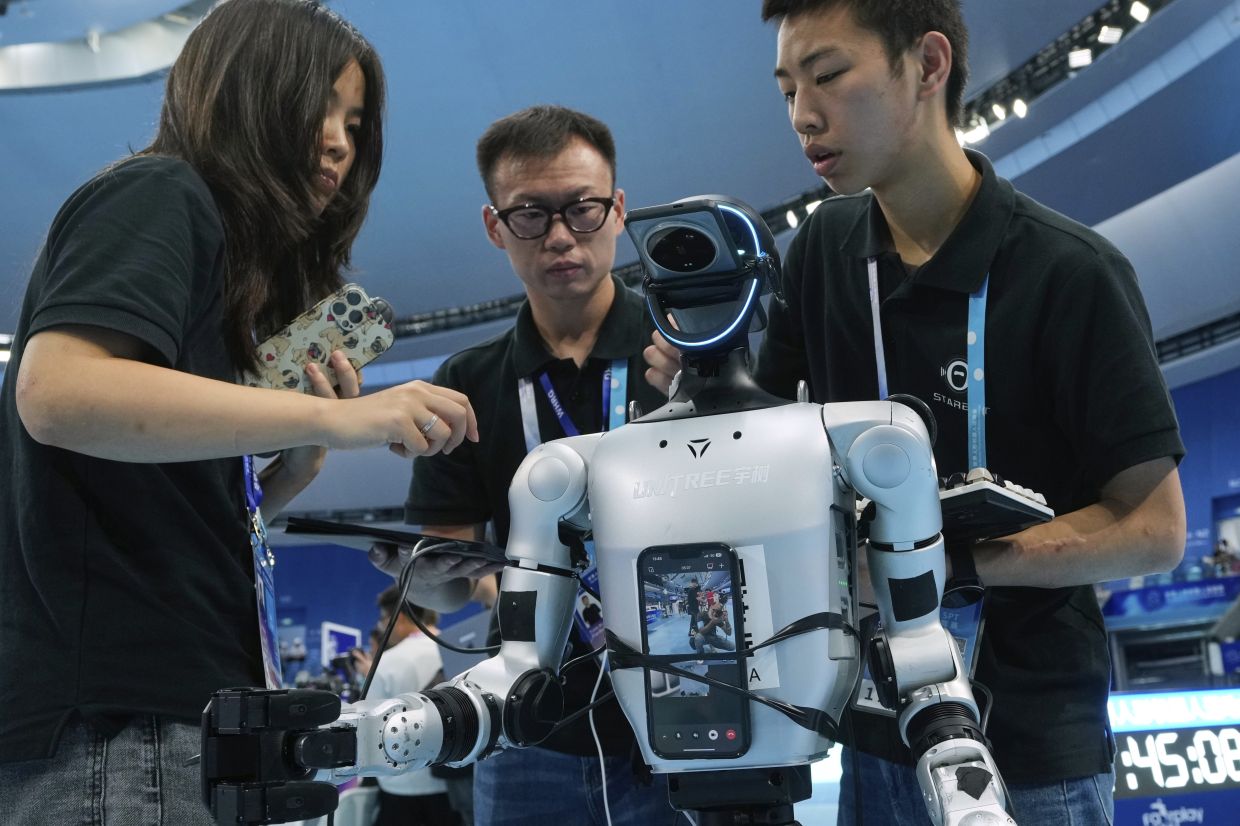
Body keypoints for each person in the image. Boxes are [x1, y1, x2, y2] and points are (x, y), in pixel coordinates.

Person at [645, 1, 1187, 822]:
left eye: (828, 76)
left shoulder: (1071, 273)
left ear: (929, 65)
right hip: (877, 735)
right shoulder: (824, 252)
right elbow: (761, 443)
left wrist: (945, 565)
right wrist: (699, 396)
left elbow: (1155, 530)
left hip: (1031, 750)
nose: (803, 115)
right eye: (788, 88)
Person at [0, 2, 480, 823]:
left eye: (355, 123)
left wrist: (281, 477)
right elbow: (57, 394)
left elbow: (138, 504)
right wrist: (337, 420)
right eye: (320, 105)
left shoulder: (210, 261)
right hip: (122, 736)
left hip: (165, 726)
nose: (340, 141)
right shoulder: (160, 191)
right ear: (250, 90)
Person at [404, 105, 676, 825]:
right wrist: (510, 584)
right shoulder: (467, 380)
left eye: (583, 209)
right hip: (530, 726)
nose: (560, 236)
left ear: (618, 211)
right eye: (530, 214)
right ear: (496, 227)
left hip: (692, 706)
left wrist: (707, 403)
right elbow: (443, 583)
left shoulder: (690, 354)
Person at [368, 586, 464, 826]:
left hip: (400, 786)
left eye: (383, 618)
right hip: (452, 784)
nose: (382, 627)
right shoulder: (460, 649)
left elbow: (370, 725)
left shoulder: (387, 661)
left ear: (398, 618)